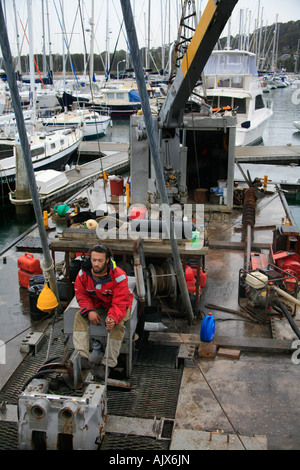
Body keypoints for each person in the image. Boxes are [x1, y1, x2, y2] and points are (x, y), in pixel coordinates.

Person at [73, 244, 133, 380]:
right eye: (94, 260)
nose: (96, 263)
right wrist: (89, 311)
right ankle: (82, 357)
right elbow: (81, 295)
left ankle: (108, 364)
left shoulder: (119, 276)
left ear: (107, 260)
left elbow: (120, 302)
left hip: (119, 306)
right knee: (79, 316)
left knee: (117, 326)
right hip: (98, 304)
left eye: (100, 260)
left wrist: (112, 318)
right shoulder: (83, 273)